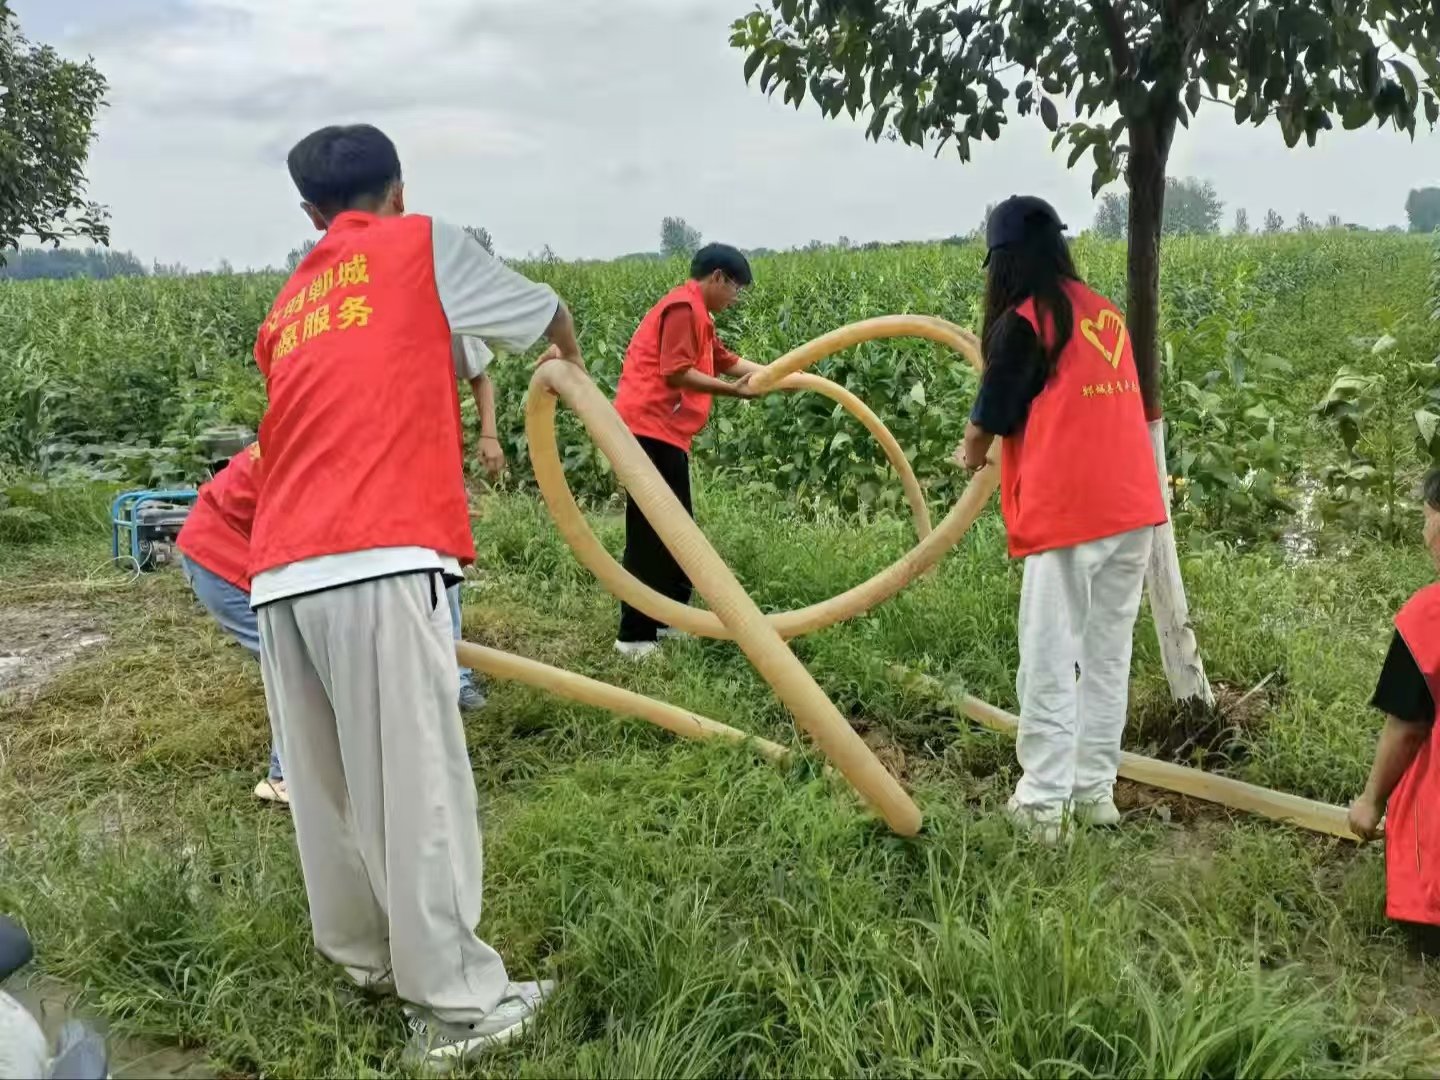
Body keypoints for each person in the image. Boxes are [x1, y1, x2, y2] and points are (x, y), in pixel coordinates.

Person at [250, 124, 582, 1065]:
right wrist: (571, 366)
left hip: (280, 570)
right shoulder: (419, 243)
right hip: (376, 555)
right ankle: (456, 1009)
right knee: (419, 785)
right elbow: (546, 311)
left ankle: (368, 965)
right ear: (399, 190)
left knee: (328, 790)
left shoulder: (291, 299)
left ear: (310, 213)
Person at [957, 195, 1167, 841]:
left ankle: (1043, 808)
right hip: (1132, 509)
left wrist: (970, 454)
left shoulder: (1026, 321)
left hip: (1072, 514)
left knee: (1049, 657)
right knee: (1107, 656)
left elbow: (990, 417)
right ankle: (1094, 792)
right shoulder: (1103, 312)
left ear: (1004, 262)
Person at [611, 243, 764, 657]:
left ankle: (667, 621)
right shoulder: (683, 308)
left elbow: (724, 360)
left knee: (676, 528)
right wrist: (733, 392)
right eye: (735, 288)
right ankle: (634, 636)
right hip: (648, 431)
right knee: (651, 533)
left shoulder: (699, 315)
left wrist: (780, 374)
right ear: (717, 277)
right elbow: (676, 372)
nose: (735, 298)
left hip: (667, 433)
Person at [1348, 469, 1440, 941]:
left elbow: (1406, 728)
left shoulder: (1429, 617)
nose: (1425, 533)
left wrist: (1370, 802)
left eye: (1427, 517)